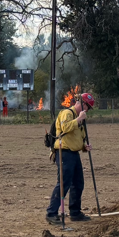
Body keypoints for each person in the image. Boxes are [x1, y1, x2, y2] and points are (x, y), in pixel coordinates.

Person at [47, 91, 96, 224]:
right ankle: (51, 213)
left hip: (74, 153)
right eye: (87, 107)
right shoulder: (67, 113)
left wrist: (84, 147)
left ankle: (75, 212)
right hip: (64, 152)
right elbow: (64, 128)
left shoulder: (81, 119)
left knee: (78, 183)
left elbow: (78, 137)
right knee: (63, 183)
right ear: (82, 104)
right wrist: (78, 119)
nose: (88, 110)